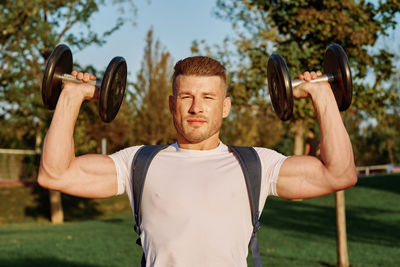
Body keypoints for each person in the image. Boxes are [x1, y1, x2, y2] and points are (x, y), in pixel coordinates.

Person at [38, 56, 357, 267]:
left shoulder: (256, 165)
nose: (196, 108)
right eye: (187, 97)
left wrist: (323, 94)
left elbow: (339, 173)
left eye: (208, 98)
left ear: (225, 107)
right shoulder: (139, 163)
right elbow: (56, 174)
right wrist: (71, 96)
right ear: (171, 104)